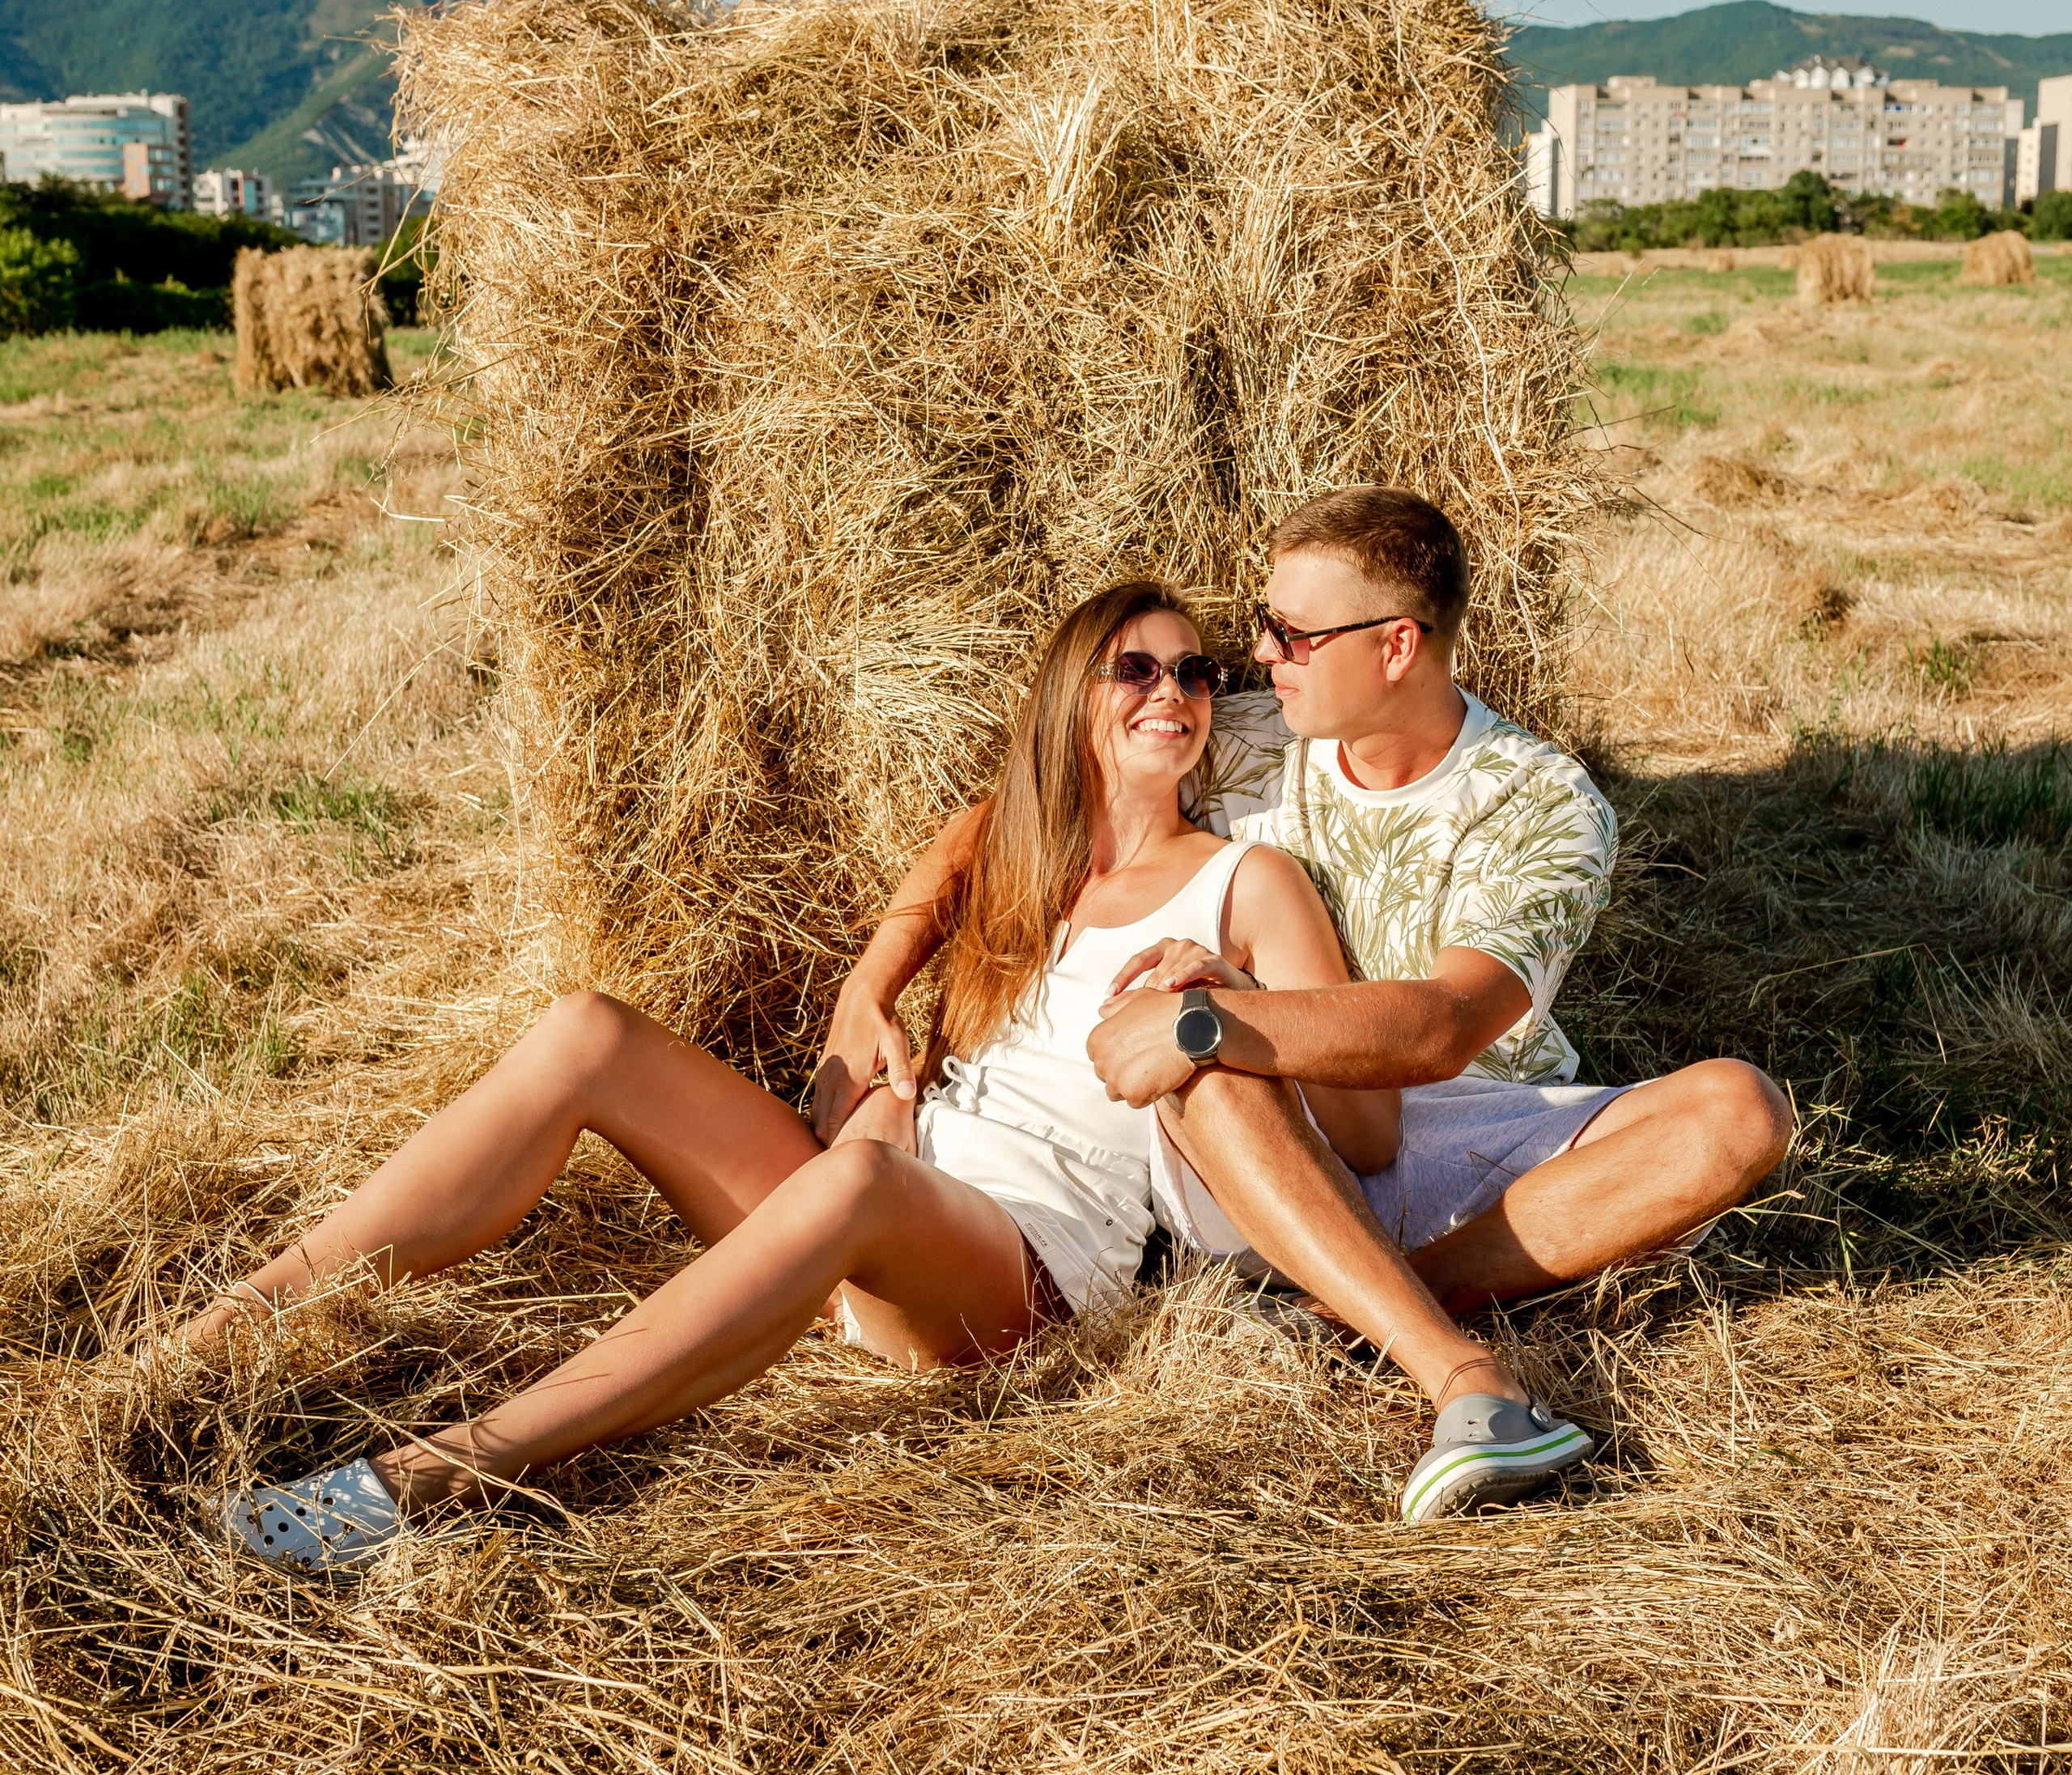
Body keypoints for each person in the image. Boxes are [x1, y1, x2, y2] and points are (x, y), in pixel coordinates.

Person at [210, 580, 1577, 1571]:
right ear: (1074, 701)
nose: (1175, 691)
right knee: (586, 1031)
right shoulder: (1023, 849)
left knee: (855, 1182)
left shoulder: (1248, 879)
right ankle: (233, 1325)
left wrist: (1237, 1007)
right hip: (885, 1190)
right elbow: (945, 868)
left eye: (1199, 672)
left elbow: (1368, 1134)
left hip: (1016, 1263)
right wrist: (865, 997)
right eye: (1136, 669)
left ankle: (437, 1475)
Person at [817, 489, 1794, 1522]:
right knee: (1208, 1049)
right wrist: (872, 980)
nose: (1255, 656)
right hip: (1258, 1131)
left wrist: (1225, 1013)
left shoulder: (1539, 803)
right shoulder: (1244, 733)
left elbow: (1444, 1026)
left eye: (1291, 633)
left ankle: (1351, 1309)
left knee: (1741, 1111)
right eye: (1261, 626)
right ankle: (1442, 1351)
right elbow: (1016, 813)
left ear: (1395, 646)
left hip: (1448, 1119)